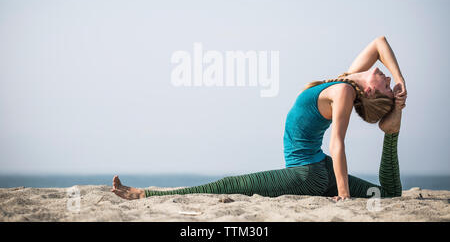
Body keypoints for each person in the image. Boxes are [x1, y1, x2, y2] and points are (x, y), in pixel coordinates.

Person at [111, 36, 407, 201]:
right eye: (387, 82)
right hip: (319, 170)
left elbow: (338, 143)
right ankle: (391, 132)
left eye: (386, 87)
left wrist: (343, 194)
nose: (386, 80)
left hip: (310, 174)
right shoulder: (346, 79)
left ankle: (144, 194)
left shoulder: (343, 91)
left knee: (232, 184)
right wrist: (399, 78)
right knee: (388, 195)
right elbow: (379, 43)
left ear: (369, 93)